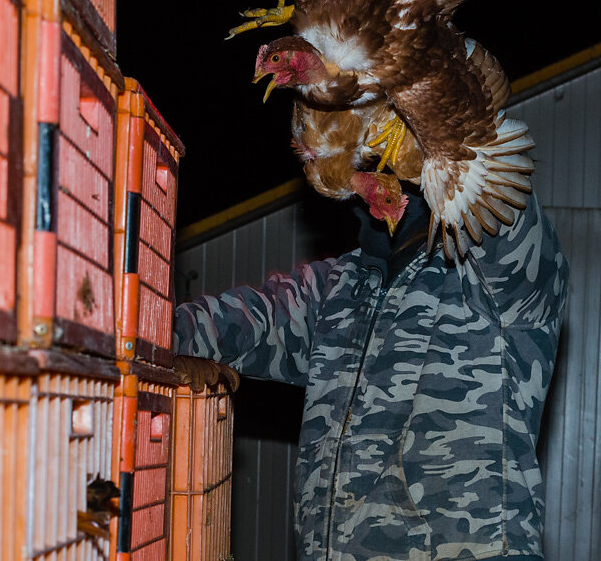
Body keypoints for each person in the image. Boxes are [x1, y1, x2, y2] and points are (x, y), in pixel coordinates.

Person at [173, 188, 569, 561]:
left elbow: (493, 169)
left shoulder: (494, 273)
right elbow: (228, 325)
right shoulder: (336, 286)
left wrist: (441, 130)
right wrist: (141, 328)